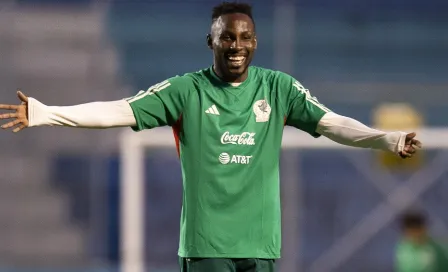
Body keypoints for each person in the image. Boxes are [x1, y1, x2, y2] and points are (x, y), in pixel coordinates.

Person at [0, 2, 422, 272]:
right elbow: (118, 110)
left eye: (245, 37)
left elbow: (332, 123)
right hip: (207, 248)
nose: (236, 45)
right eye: (227, 37)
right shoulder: (186, 90)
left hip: (261, 248)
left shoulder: (278, 88)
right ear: (211, 41)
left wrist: (386, 139)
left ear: (255, 42)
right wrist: (45, 113)